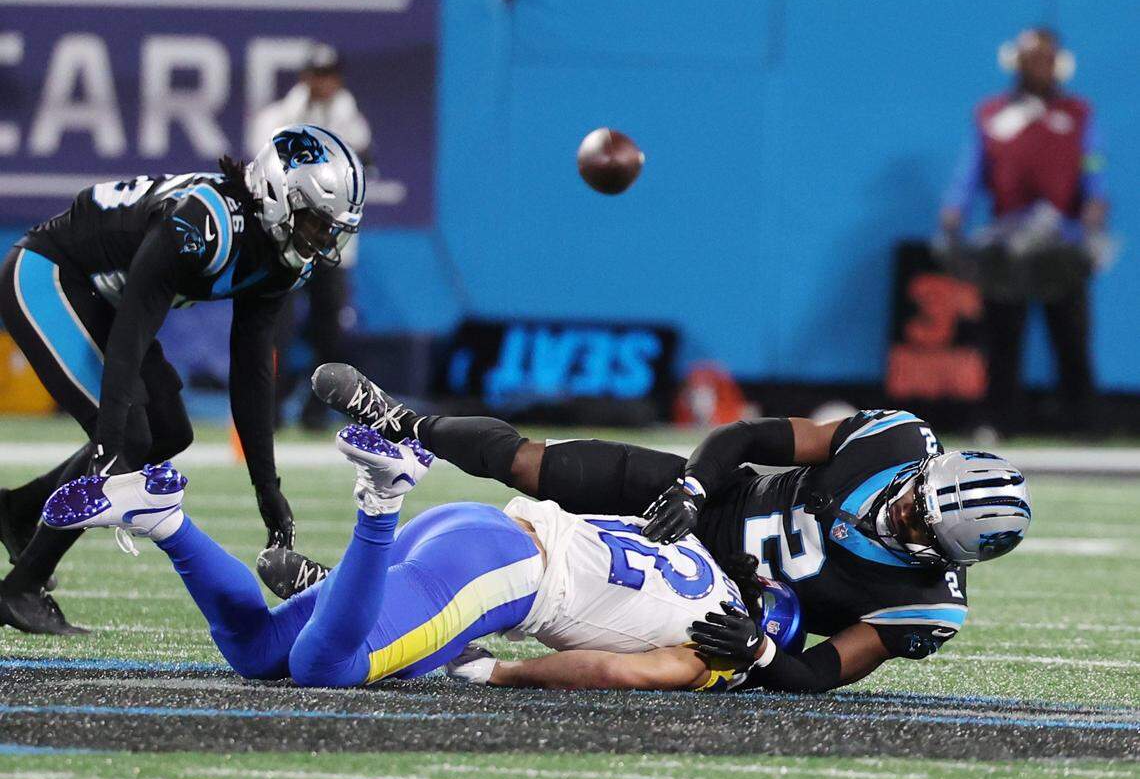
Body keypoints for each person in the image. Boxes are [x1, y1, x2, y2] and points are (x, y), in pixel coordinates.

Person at [278, 364, 1031, 693]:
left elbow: (821, 676)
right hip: (703, 503)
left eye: (916, 523)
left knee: (551, 607)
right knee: (533, 467)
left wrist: (764, 650)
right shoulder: (896, 441)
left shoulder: (928, 604)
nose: (900, 508)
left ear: (946, 552)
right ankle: (400, 418)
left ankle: (361, 600)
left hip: (716, 609)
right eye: (914, 497)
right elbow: (750, 436)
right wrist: (698, 488)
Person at [38, 424, 800, 692]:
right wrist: (496, 670)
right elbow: (620, 671)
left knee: (260, 650)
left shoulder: (694, 546)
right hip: (504, 576)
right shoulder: (720, 653)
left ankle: (164, 517)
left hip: (478, 525)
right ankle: (381, 496)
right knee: (322, 670)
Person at [0, 125, 366, 635]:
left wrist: (266, 484)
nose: (323, 239)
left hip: (107, 300)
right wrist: (107, 444)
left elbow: (253, 368)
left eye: (332, 229)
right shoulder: (204, 221)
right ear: (281, 196)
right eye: (316, 223)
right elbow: (131, 330)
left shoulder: (281, 258)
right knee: (130, 437)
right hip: (50, 275)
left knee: (170, 432)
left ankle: (20, 512)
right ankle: (20, 587)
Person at [939, 27, 1109, 436]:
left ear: (1058, 64)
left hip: (1060, 240)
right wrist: (954, 208)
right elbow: (972, 166)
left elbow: (1093, 163)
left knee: (1070, 334)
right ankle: (999, 420)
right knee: (1003, 337)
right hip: (1007, 242)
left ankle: (1081, 422)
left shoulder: (1079, 113)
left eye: (1046, 58)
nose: (1039, 66)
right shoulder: (992, 113)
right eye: (1031, 57)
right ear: (1016, 61)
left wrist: (1096, 198)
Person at [248, 43, 372, 431]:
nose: (323, 83)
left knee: (329, 329)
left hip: (331, 245)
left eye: (329, 75)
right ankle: (269, 407)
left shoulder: (353, 123)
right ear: (305, 76)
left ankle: (318, 409)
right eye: (317, 75)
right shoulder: (274, 118)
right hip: (283, 241)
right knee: (277, 328)